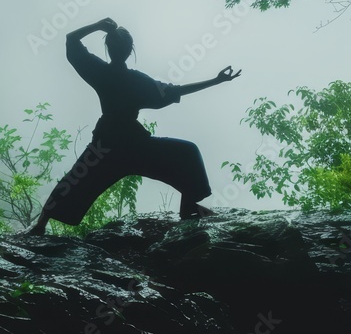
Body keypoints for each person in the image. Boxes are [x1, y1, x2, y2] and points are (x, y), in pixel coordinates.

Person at [27, 17, 240, 235]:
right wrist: (216, 80)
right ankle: (189, 207)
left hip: (108, 144)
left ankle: (40, 225)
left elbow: (71, 40)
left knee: (75, 179)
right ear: (130, 51)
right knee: (188, 152)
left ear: (108, 48)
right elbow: (175, 90)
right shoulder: (137, 81)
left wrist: (98, 25)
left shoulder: (100, 72)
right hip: (135, 144)